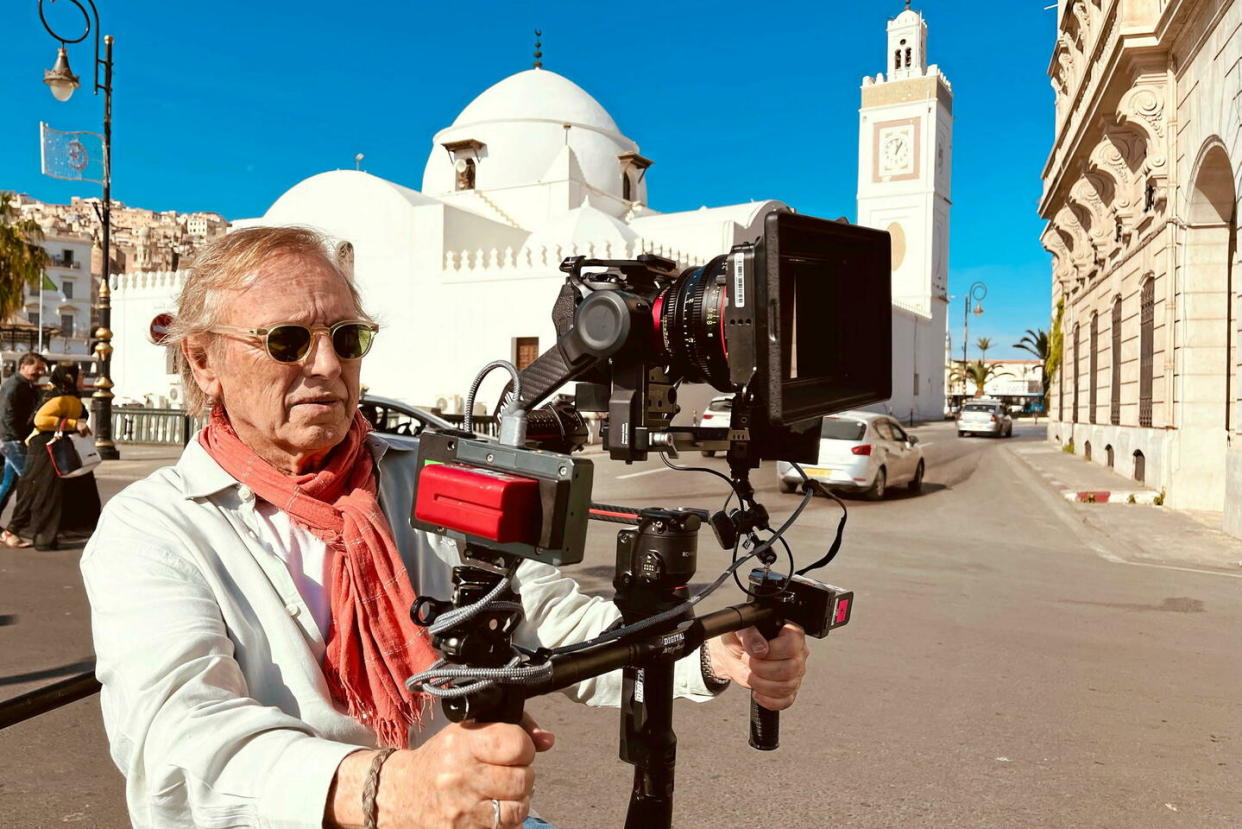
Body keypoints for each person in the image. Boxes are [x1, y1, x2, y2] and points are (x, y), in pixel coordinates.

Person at [81, 227, 812, 829]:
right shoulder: (153, 530)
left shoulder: (423, 475)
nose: (328, 364)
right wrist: (388, 787)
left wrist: (706, 654)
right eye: (286, 342)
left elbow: (547, 618)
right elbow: (179, 737)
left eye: (347, 336)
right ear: (203, 360)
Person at [6, 364, 99, 551]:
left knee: (43, 489)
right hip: (45, 449)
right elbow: (40, 420)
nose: (83, 379)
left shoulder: (67, 396)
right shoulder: (60, 398)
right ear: (69, 378)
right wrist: (72, 423)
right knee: (40, 491)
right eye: (80, 376)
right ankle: (17, 532)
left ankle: (28, 532)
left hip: (56, 448)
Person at [0, 352, 47, 543]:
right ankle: (16, 529)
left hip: (13, 439)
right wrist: (16, 438)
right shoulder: (15, 386)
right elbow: (7, 414)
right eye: (37, 368)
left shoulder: (25, 385)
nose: (40, 372)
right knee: (32, 482)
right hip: (13, 440)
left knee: (8, 483)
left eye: (42, 369)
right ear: (24, 367)